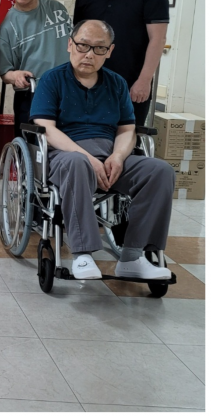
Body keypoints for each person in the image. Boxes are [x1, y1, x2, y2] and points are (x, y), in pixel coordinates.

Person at [30, 19, 174, 281]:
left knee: (160, 171)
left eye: (99, 48)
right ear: (70, 45)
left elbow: (127, 129)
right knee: (77, 163)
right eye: (82, 45)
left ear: (109, 51)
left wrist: (118, 157)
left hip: (111, 156)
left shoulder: (117, 83)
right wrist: (88, 158)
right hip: (66, 155)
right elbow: (46, 128)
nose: (89, 54)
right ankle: (82, 254)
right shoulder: (53, 79)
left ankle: (132, 257)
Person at [74, 0, 169, 126]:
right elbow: (78, 44)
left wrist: (144, 81)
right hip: (90, 84)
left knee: (128, 138)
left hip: (132, 85)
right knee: (87, 136)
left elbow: (158, 39)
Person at [0, 0, 72, 131]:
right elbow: (5, 73)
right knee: (33, 144)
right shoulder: (6, 28)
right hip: (32, 96)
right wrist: (16, 76)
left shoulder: (57, 9)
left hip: (68, 91)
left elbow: (73, 44)